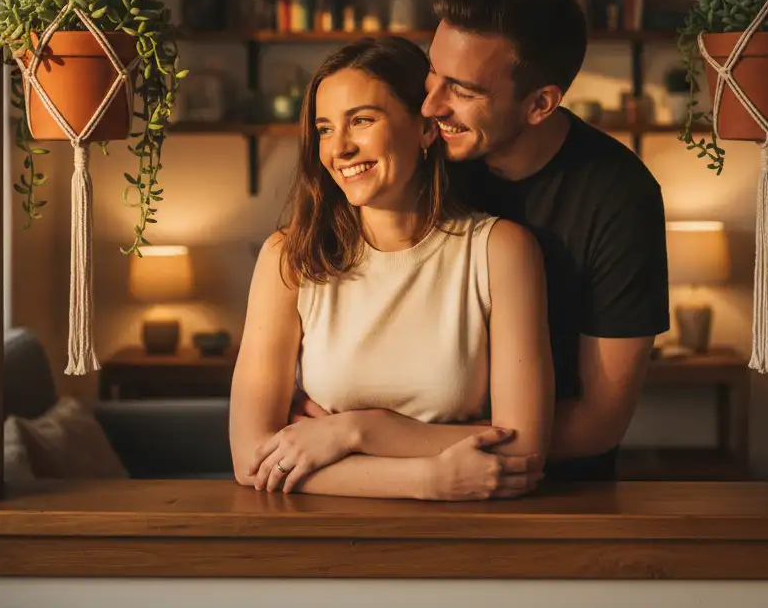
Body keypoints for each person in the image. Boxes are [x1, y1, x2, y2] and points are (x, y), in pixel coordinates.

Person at [291, 0, 670, 483]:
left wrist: (367, 435)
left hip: (557, 498)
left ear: (540, 104)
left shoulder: (619, 198)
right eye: (432, 75)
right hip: (381, 486)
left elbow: (599, 423)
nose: (430, 106)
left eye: (463, 90)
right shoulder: (428, 157)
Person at [229, 36, 554, 500]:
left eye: (361, 120)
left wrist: (355, 432)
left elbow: (522, 448)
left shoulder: (501, 250)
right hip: (325, 543)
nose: (338, 149)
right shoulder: (289, 256)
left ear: (425, 129)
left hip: (468, 541)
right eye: (323, 129)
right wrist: (429, 478)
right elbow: (252, 459)